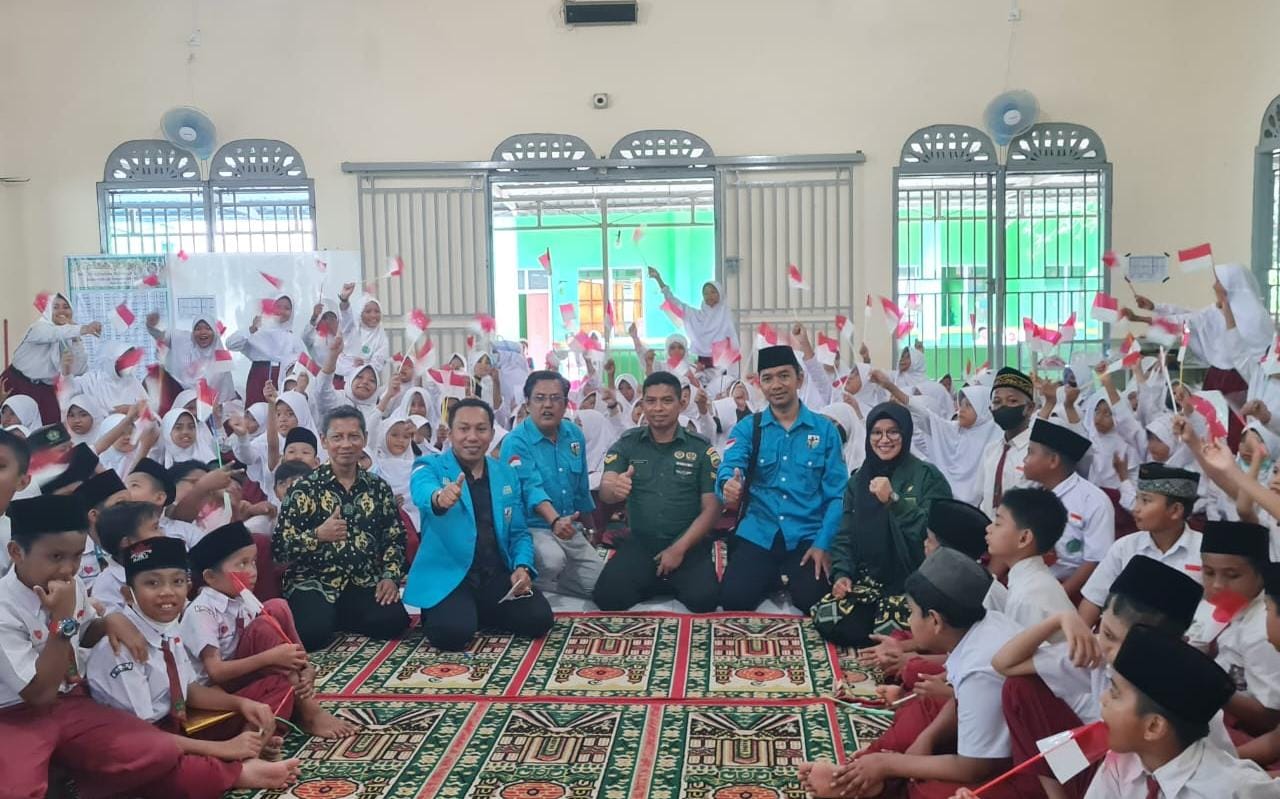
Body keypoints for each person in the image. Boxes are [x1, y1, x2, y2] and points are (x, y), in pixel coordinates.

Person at [798, 548, 1036, 799]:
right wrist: (928, 737)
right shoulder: (987, 625)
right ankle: (861, 777)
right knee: (925, 710)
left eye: (911, 613)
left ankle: (876, 784)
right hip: (998, 744)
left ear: (935, 620)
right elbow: (959, 698)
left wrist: (889, 764)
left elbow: (975, 767)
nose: (910, 622)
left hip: (1033, 772)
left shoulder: (980, 671)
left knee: (927, 792)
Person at [0, 494, 185, 798]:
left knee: (160, 750)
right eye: (56, 557)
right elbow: (39, 695)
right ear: (16, 552)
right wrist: (61, 620)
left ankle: (81, 786)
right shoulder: (4, 607)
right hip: (15, 715)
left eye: (76, 556)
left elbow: (84, 632)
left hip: (71, 702)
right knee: (16, 793)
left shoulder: (71, 586)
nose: (68, 569)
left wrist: (109, 620)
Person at [85, 536, 302, 795]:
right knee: (181, 776)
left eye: (177, 581)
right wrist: (223, 748)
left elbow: (189, 689)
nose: (167, 592)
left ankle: (243, 754)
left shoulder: (168, 625)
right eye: (152, 583)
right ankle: (238, 770)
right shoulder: (121, 647)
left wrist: (242, 704)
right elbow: (144, 735)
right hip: (139, 742)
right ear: (127, 594)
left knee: (272, 691)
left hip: (177, 725)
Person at [991, 556, 1209, 799]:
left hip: (1149, 774)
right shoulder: (1099, 652)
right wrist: (1060, 619)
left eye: (1128, 644)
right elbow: (1004, 664)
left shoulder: (1187, 696)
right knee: (1019, 688)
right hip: (1106, 757)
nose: (1112, 650)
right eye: (1107, 633)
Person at [184, 521, 356, 740]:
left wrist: (305, 668)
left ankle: (296, 688)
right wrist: (269, 658)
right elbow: (216, 672)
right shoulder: (202, 610)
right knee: (264, 627)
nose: (252, 572)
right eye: (242, 564)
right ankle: (307, 713)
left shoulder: (242, 598)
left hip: (243, 675)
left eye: (253, 562)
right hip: (216, 693)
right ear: (210, 577)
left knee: (277, 607)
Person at [405, 398, 554, 651]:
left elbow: (518, 532)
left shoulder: (505, 473)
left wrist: (522, 567)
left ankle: (475, 610)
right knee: (451, 635)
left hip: (494, 574)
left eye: (481, 429)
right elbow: (423, 490)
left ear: (492, 434)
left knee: (539, 620)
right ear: (450, 433)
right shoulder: (429, 466)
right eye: (464, 429)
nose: (472, 437)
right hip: (450, 576)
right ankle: (458, 611)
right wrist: (439, 498)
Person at [717, 345, 847, 613]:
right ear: (760, 384)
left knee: (813, 600)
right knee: (734, 600)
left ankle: (780, 578)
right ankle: (771, 576)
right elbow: (730, 465)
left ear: (799, 379)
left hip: (806, 534)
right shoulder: (748, 428)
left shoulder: (825, 431)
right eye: (767, 378)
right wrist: (727, 483)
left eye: (784, 376)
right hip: (760, 531)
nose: (776, 385)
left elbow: (837, 495)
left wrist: (823, 543)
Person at [273, 405, 410, 650]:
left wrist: (390, 577)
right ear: (324, 441)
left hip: (362, 579)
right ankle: (327, 615)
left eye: (353, 436)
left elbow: (394, 537)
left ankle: (338, 615)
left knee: (394, 622)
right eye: (337, 437)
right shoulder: (304, 489)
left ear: (364, 439)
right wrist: (318, 535)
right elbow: (280, 548)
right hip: (314, 580)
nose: (346, 444)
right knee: (312, 635)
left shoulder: (378, 488)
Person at [814, 402, 952, 646]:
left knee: (892, 626)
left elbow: (935, 537)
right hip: (870, 580)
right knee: (829, 618)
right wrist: (842, 574)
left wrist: (894, 501)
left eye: (893, 432)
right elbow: (845, 534)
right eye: (877, 432)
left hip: (915, 580)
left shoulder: (927, 477)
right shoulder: (859, 480)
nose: (884, 440)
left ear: (906, 434)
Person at [1082, 624, 1275, 798]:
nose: (1103, 699)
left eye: (1115, 693)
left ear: (1153, 726)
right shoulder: (1120, 763)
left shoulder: (1230, 788)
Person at [593, 372, 723, 612]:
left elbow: (712, 509)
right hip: (642, 541)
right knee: (606, 598)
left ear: (681, 404)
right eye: (651, 401)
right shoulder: (628, 443)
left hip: (687, 543)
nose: (658, 408)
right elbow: (606, 489)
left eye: (666, 401)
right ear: (642, 404)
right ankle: (660, 579)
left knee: (704, 602)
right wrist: (614, 488)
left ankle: (660, 578)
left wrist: (678, 549)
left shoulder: (700, 448)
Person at [500, 370, 603, 598]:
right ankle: (531, 578)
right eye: (540, 398)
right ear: (527, 404)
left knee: (600, 585)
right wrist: (555, 521)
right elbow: (531, 488)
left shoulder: (574, 435)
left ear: (565, 404)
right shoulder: (516, 441)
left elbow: (581, 487)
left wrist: (590, 528)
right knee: (553, 560)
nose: (547, 405)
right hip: (532, 528)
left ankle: (552, 582)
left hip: (568, 527)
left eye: (555, 398)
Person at [1185, 521, 1280, 742]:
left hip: (1248, 733)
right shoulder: (1212, 604)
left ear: (1261, 575)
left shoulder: (1265, 630)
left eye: (1232, 575)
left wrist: (1205, 682)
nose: (1217, 585)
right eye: (1209, 573)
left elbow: (1270, 718)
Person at [1079, 463, 1203, 626]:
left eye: (1145, 500)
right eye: (1137, 499)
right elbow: (1093, 600)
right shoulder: (1124, 547)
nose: (1135, 508)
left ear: (1175, 510)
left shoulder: (1203, 552)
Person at [1022, 418, 1116, 600]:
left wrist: (1058, 596)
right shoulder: (1027, 491)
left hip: (1070, 589)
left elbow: (1095, 560)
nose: (1025, 460)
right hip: (1025, 578)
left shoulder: (1093, 501)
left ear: (1053, 460)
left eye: (1030, 452)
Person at [985, 486, 1076, 631]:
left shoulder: (1027, 596)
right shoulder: (1031, 582)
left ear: (1024, 538)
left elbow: (1021, 645)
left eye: (998, 524)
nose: (988, 528)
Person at [1, 293, 99, 425]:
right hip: (16, 381)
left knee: (51, 426)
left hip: (44, 387)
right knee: (10, 426)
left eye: (66, 307)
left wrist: (76, 339)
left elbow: (79, 370)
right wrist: (83, 329)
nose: (61, 311)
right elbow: (53, 334)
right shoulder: (38, 328)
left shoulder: (69, 336)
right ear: (48, 310)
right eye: (56, 307)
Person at [224, 294, 306, 407]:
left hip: (282, 378)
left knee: (279, 411)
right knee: (255, 412)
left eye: (287, 308)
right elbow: (230, 344)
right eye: (278, 306)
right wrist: (252, 329)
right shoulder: (258, 332)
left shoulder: (293, 338)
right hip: (258, 377)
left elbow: (302, 363)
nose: (282, 311)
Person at [646, 269, 738, 366]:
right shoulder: (696, 316)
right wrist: (658, 279)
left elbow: (733, 344)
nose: (709, 296)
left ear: (720, 294)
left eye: (713, 292)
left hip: (723, 364)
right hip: (702, 364)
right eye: (705, 293)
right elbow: (674, 301)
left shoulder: (726, 316)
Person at [979, 367, 1036, 517]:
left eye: (1012, 401)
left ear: (1029, 408)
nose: (1003, 406)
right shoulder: (991, 450)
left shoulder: (1037, 453)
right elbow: (983, 497)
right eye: (997, 401)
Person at [337, 284, 390, 379]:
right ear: (360, 313)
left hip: (363, 380)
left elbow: (378, 363)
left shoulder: (382, 338)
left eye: (377, 311)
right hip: (339, 378)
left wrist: (364, 365)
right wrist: (344, 300)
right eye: (368, 312)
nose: (373, 315)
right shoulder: (352, 328)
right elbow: (346, 316)